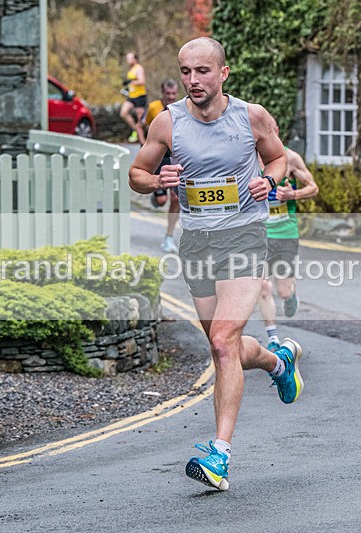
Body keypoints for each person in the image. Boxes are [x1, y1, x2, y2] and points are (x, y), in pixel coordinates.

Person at [129, 37, 304, 491]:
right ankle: (278, 363)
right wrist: (156, 180)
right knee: (221, 346)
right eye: (185, 71)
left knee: (225, 341)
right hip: (198, 243)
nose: (192, 80)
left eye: (202, 71)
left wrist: (268, 180)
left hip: (244, 236)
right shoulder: (168, 123)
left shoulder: (251, 116)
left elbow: (279, 156)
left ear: (223, 73)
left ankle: (219, 455)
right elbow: (136, 174)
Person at [257, 121, 319, 351]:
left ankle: (290, 295)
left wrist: (293, 193)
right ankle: (272, 339)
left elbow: (313, 187)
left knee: (282, 291)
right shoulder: (248, 158)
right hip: (258, 233)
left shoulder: (290, 158)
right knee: (262, 286)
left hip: (284, 232)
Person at [145, 79, 182, 253]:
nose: (171, 97)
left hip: (175, 158)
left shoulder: (182, 109)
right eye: (168, 95)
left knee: (176, 198)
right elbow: (143, 126)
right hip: (158, 157)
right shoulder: (153, 108)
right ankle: (156, 197)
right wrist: (143, 147)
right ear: (162, 94)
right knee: (161, 201)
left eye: (174, 94)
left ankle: (169, 237)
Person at [120, 52, 147, 144]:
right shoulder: (131, 69)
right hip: (132, 96)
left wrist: (131, 82)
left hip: (140, 96)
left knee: (141, 121)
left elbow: (142, 81)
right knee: (123, 112)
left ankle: (143, 142)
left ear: (135, 59)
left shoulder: (138, 68)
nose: (128, 60)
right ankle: (135, 130)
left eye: (130, 58)